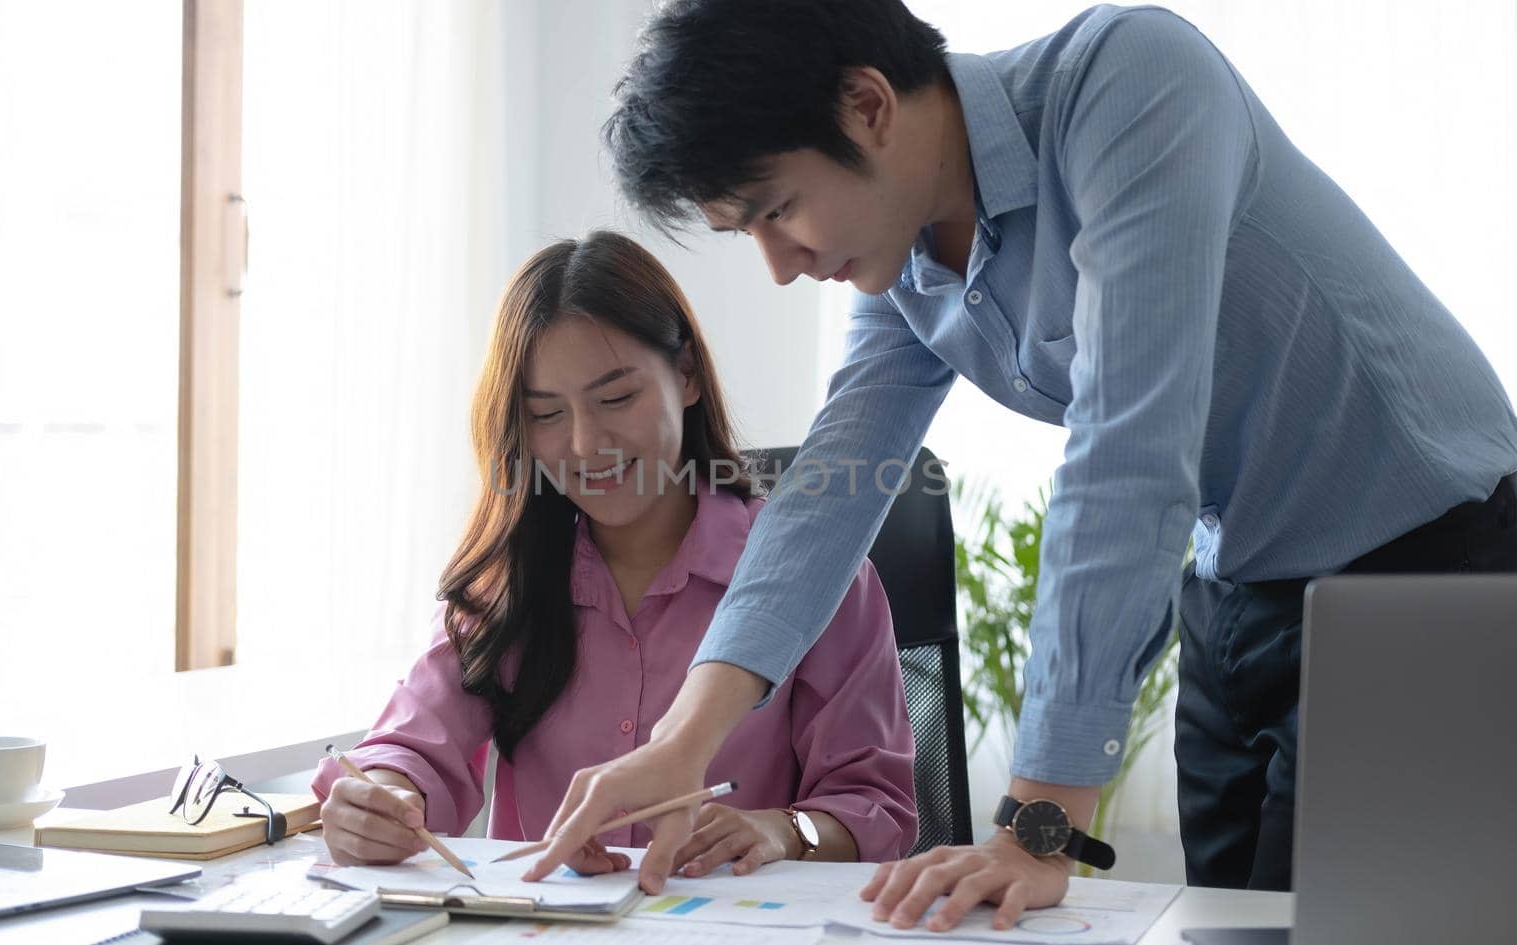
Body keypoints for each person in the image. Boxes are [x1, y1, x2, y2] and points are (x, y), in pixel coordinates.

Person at [527, 0, 1517, 933]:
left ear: (866, 106)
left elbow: (1127, 450)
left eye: (776, 210)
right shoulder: (909, 264)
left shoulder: (1132, 83)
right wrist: (681, 743)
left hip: (1425, 566)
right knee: (1232, 933)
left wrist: (1039, 821)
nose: (779, 265)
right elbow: (829, 494)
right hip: (1238, 585)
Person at [311, 231, 918, 877]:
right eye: (546, 414)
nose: (584, 443)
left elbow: (875, 806)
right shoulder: (505, 584)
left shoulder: (816, 576)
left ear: (685, 374)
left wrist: (782, 830)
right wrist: (383, 797)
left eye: (616, 398)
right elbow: (412, 748)